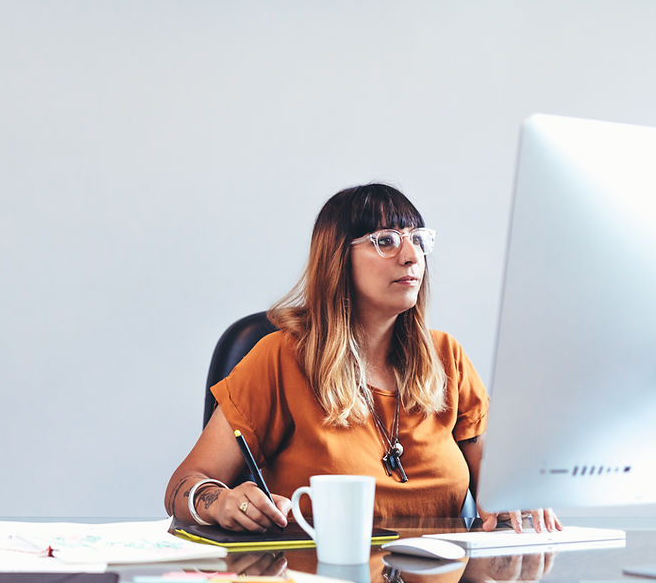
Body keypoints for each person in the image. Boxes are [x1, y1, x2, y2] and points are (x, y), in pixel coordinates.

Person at [164, 183, 561, 534]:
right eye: (386, 240)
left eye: (417, 239)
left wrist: (515, 499)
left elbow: (497, 489)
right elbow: (183, 485)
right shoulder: (280, 358)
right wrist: (219, 502)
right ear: (338, 258)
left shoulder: (448, 358)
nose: (411, 256)